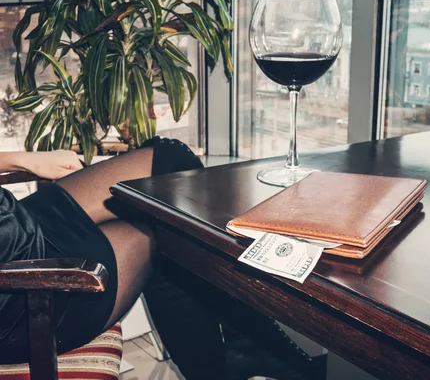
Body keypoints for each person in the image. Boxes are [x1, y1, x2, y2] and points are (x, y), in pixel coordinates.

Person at [0, 138, 313, 380]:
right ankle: (240, 354)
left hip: (15, 221)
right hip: (17, 288)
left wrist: (22, 159)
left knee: (170, 161)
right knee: (165, 229)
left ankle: (242, 345)